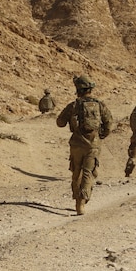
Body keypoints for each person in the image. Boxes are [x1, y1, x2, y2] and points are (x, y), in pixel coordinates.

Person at [56, 74, 113, 215]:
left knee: (76, 172)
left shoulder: (73, 105)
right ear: (90, 89)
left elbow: (60, 122)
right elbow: (109, 124)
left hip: (76, 145)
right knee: (88, 173)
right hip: (93, 145)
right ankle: (82, 202)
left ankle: (77, 199)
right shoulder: (100, 105)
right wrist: (100, 136)